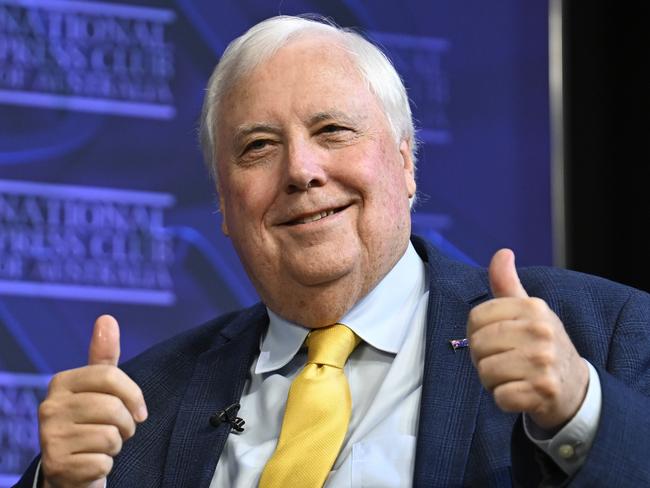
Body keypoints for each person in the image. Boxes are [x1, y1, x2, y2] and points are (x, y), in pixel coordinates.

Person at [15, 15, 650, 488]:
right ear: (225, 206)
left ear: (405, 163)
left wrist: (579, 412)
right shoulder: (139, 407)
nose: (301, 171)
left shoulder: (601, 332)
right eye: (258, 146)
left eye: (333, 131)